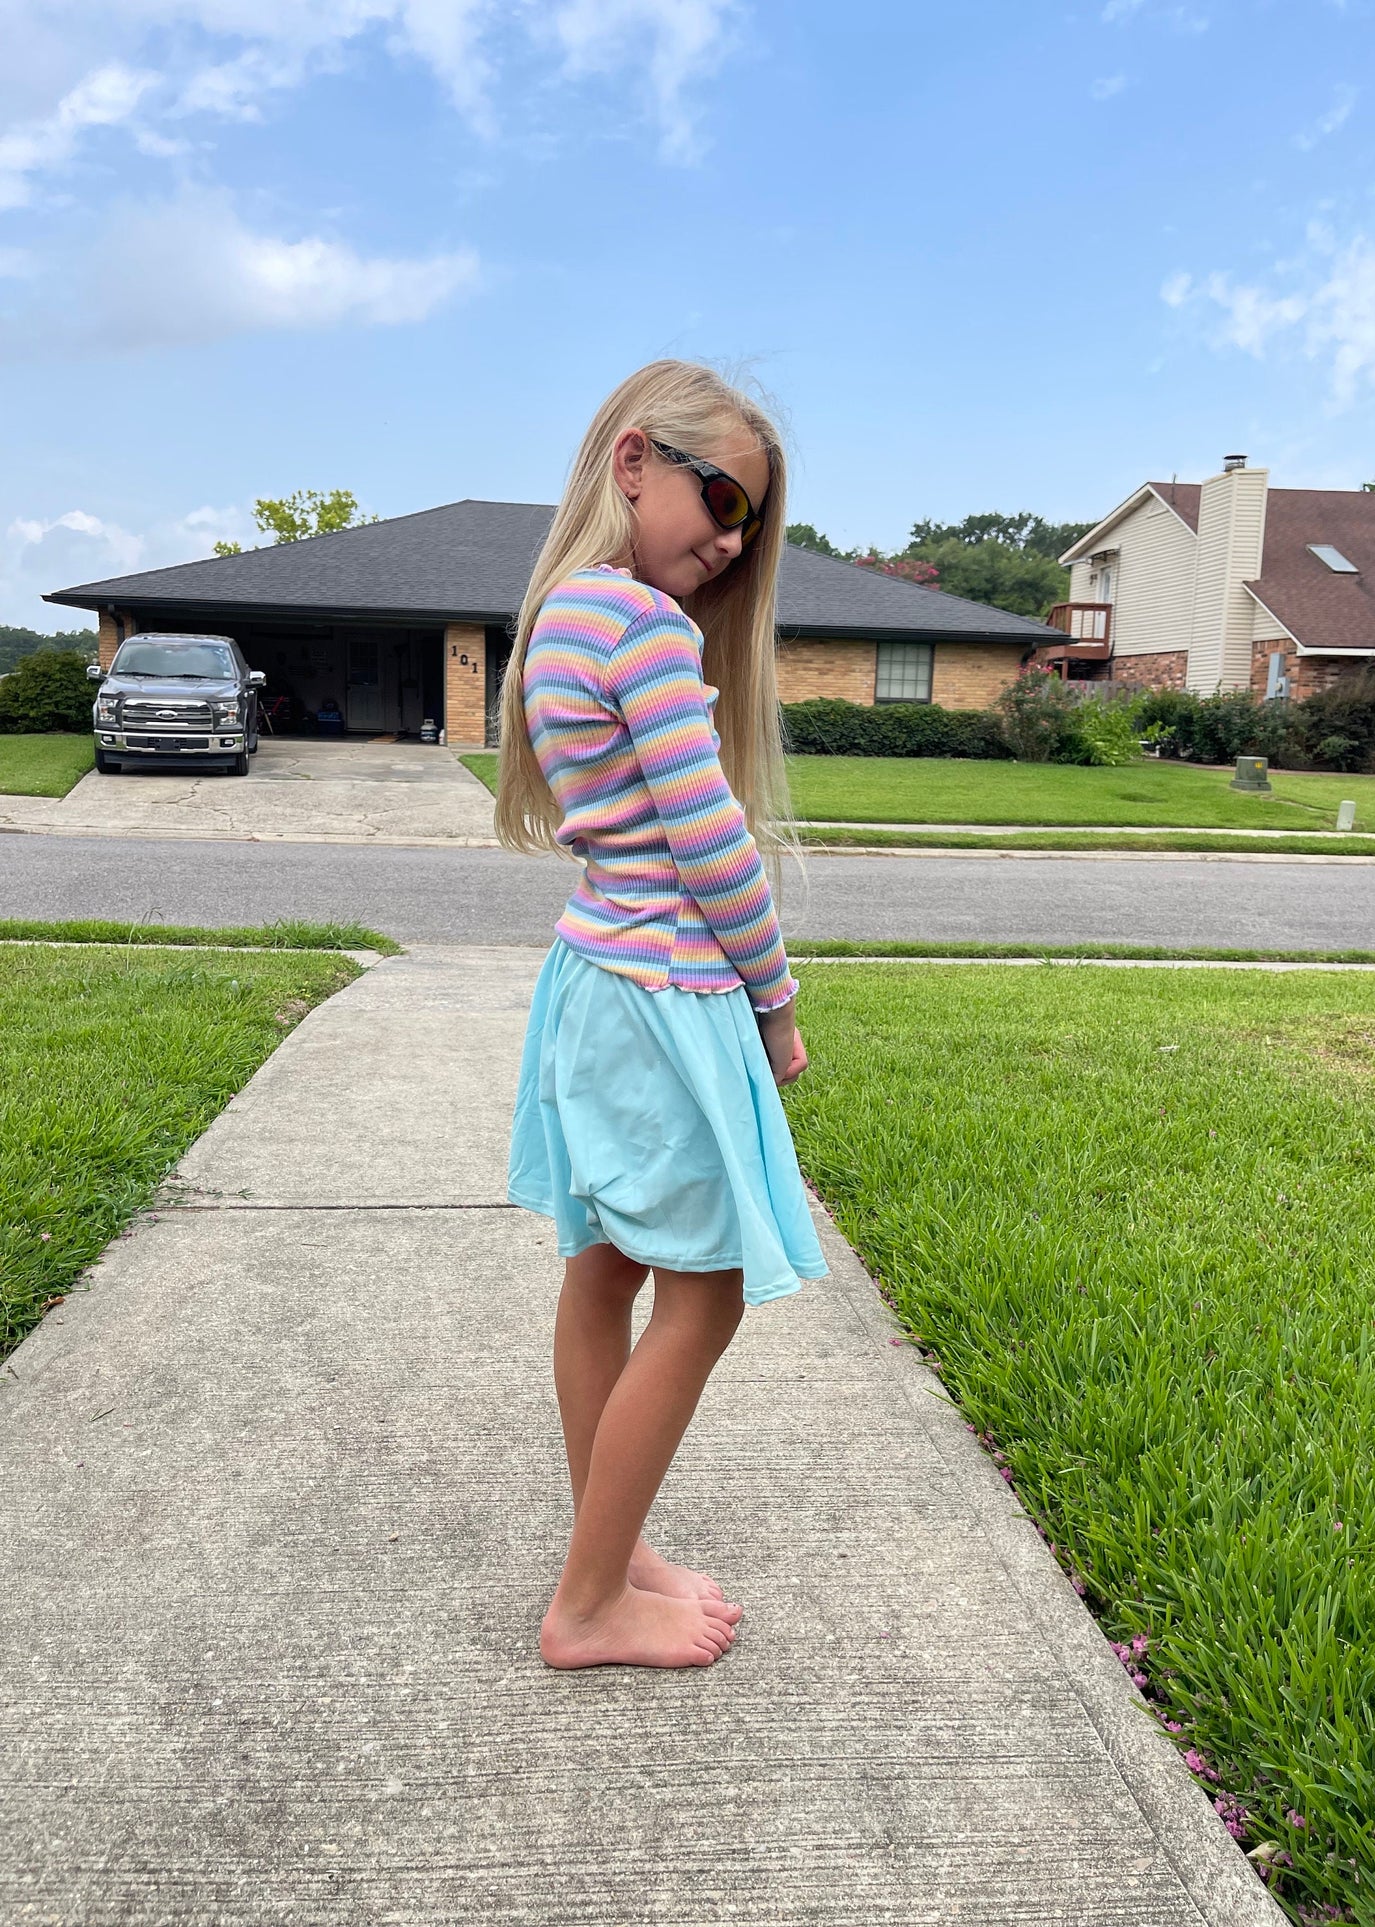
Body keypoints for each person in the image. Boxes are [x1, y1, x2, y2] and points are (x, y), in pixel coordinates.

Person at [495, 359, 829, 1671]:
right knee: (703, 1295)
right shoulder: (641, 626)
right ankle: (588, 1604)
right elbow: (714, 848)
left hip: (594, 981)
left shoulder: (564, 617)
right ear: (634, 461)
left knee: (604, 1272)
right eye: (723, 500)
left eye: (752, 521)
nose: (734, 541)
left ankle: (611, 1549)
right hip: (662, 995)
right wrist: (776, 1002)